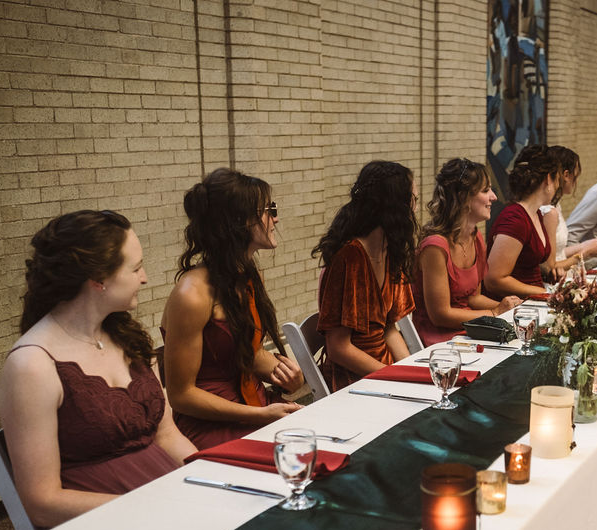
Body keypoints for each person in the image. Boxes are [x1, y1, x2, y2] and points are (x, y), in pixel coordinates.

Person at [0, 210, 196, 529]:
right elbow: (42, 503)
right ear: (98, 279)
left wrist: (210, 474)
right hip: (106, 529)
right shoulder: (32, 365)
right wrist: (150, 509)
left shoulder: (125, 337)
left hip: (171, 508)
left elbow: (168, 434)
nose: (144, 278)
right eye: (136, 268)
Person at [162, 168, 303, 451]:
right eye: (268, 209)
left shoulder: (248, 277)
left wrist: (288, 374)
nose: (275, 218)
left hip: (253, 403)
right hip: (212, 424)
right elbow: (181, 395)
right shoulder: (192, 295)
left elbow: (247, 353)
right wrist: (260, 415)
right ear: (240, 221)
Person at [313, 160, 417, 391]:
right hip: (355, 381)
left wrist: (411, 371)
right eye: (413, 200)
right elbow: (339, 348)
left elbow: (388, 328)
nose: (415, 209)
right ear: (395, 207)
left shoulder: (388, 252)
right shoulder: (349, 258)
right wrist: (395, 376)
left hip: (383, 371)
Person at [412, 158, 521, 345]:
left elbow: (473, 298)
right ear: (463, 198)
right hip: (439, 340)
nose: (494, 197)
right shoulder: (435, 247)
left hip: (469, 331)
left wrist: (511, 307)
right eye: (486, 190)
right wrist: (494, 312)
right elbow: (440, 315)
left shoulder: (475, 237)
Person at [485, 144, 557, 298]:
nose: (557, 186)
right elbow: (494, 279)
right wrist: (545, 292)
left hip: (534, 298)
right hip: (518, 307)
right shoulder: (515, 219)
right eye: (556, 180)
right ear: (547, 180)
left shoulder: (536, 213)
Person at [540, 145, 597, 280]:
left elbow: (557, 252)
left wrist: (584, 245)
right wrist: (584, 254)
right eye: (575, 176)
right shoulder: (547, 211)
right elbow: (549, 266)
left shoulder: (555, 205)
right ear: (566, 175)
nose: (576, 181)